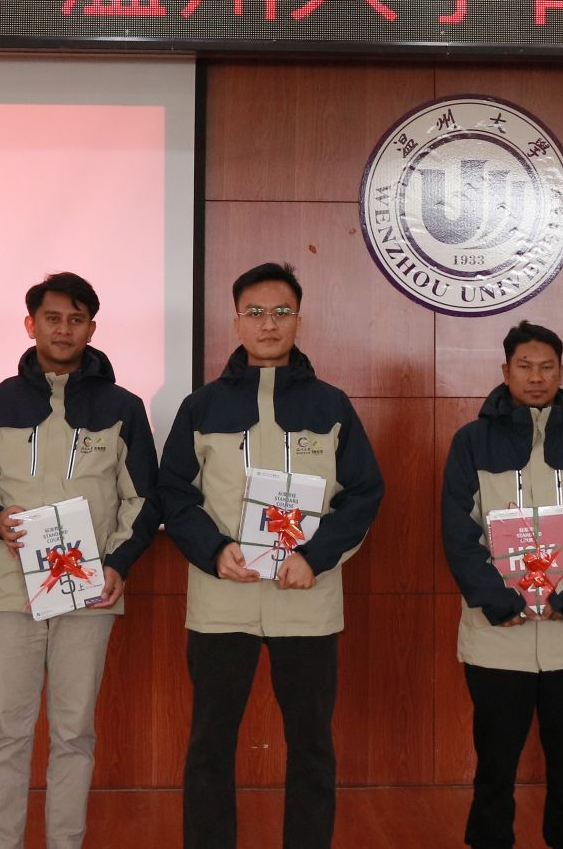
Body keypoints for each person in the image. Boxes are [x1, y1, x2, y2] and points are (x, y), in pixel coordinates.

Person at [157, 261, 384, 849]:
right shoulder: (202, 407)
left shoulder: (332, 405)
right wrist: (214, 551)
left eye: (281, 312)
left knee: (311, 745)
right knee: (210, 744)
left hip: (306, 602)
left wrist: (317, 556)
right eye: (255, 312)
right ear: (236, 322)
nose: (268, 324)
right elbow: (174, 493)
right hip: (222, 602)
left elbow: (364, 493)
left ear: (299, 321)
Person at [0, 272, 160, 849]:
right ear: (31, 325)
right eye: (52, 318)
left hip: (89, 589)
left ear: (91, 327)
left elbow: (144, 499)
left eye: (75, 319)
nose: (63, 329)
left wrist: (119, 563)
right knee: (8, 733)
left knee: (74, 733)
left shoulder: (122, 407)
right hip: (11, 593)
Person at [440, 321, 563, 849]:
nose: (536, 377)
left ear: (562, 372)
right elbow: (458, 532)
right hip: (499, 635)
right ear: (506, 371)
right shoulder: (471, 442)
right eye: (525, 366)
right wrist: (498, 601)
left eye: (547, 367)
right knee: (495, 763)